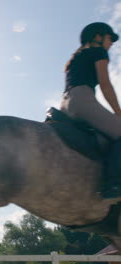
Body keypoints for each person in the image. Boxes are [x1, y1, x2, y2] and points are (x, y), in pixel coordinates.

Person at [60, 22, 121, 199]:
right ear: (97, 37)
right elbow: (105, 83)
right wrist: (117, 110)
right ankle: (113, 184)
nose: (111, 43)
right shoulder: (98, 52)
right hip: (82, 100)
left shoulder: (75, 58)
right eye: (110, 38)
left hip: (65, 104)